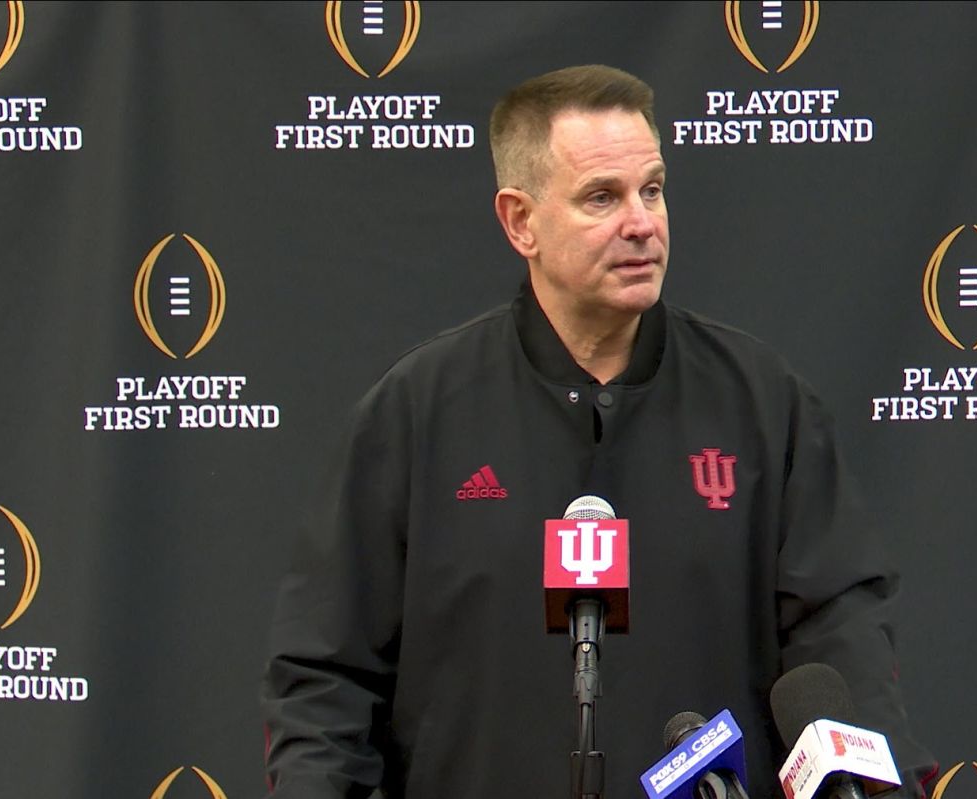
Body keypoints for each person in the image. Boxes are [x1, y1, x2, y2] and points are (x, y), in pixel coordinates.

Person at [261, 64, 936, 798]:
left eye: (652, 188)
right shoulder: (417, 414)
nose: (641, 222)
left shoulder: (764, 404)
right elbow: (326, 678)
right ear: (521, 221)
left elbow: (841, 633)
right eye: (602, 197)